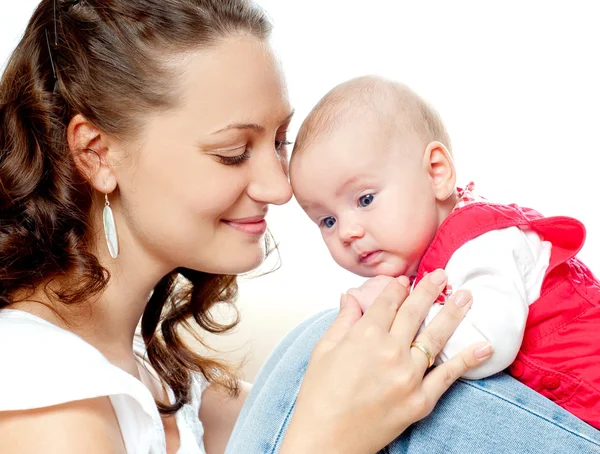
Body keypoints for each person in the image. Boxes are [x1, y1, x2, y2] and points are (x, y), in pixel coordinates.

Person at [0, 1, 598, 453]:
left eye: (280, 142)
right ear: (98, 153)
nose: (281, 187)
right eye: (234, 152)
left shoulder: (154, 373)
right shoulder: (45, 388)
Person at [289, 75, 600, 429]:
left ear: (436, 173)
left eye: (365, 199)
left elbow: (486, 349)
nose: (347, 232)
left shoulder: (481, 244)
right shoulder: (436, 256)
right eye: (327, 220)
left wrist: (401, 318)